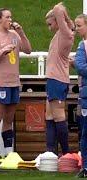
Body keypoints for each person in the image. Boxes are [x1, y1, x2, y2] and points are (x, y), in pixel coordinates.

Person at [0, 8, 31, 163]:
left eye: (11, 16)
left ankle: (9, 152)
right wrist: (2, 51)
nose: (10, 19)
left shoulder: (15, 35)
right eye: (7, 17)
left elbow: (28, 50)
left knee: (9, 119)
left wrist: (21, 32)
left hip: (13, 82)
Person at [45, 2, 74, 155]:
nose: (49, 27)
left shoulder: (65, 33)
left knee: (58, 116)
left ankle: (66, 153)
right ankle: (50, 152)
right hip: (53, 78)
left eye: (50, 24)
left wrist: (60, 8)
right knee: (49, 115)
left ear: (57, 20)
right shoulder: (62, 33)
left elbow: (58, 9)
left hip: (57, 79)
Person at [74, 13, 87, 178]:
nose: (76, 29)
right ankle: (85, 167)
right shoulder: (82, 46)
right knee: (86, 133)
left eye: (79, 25)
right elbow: (80, 67)